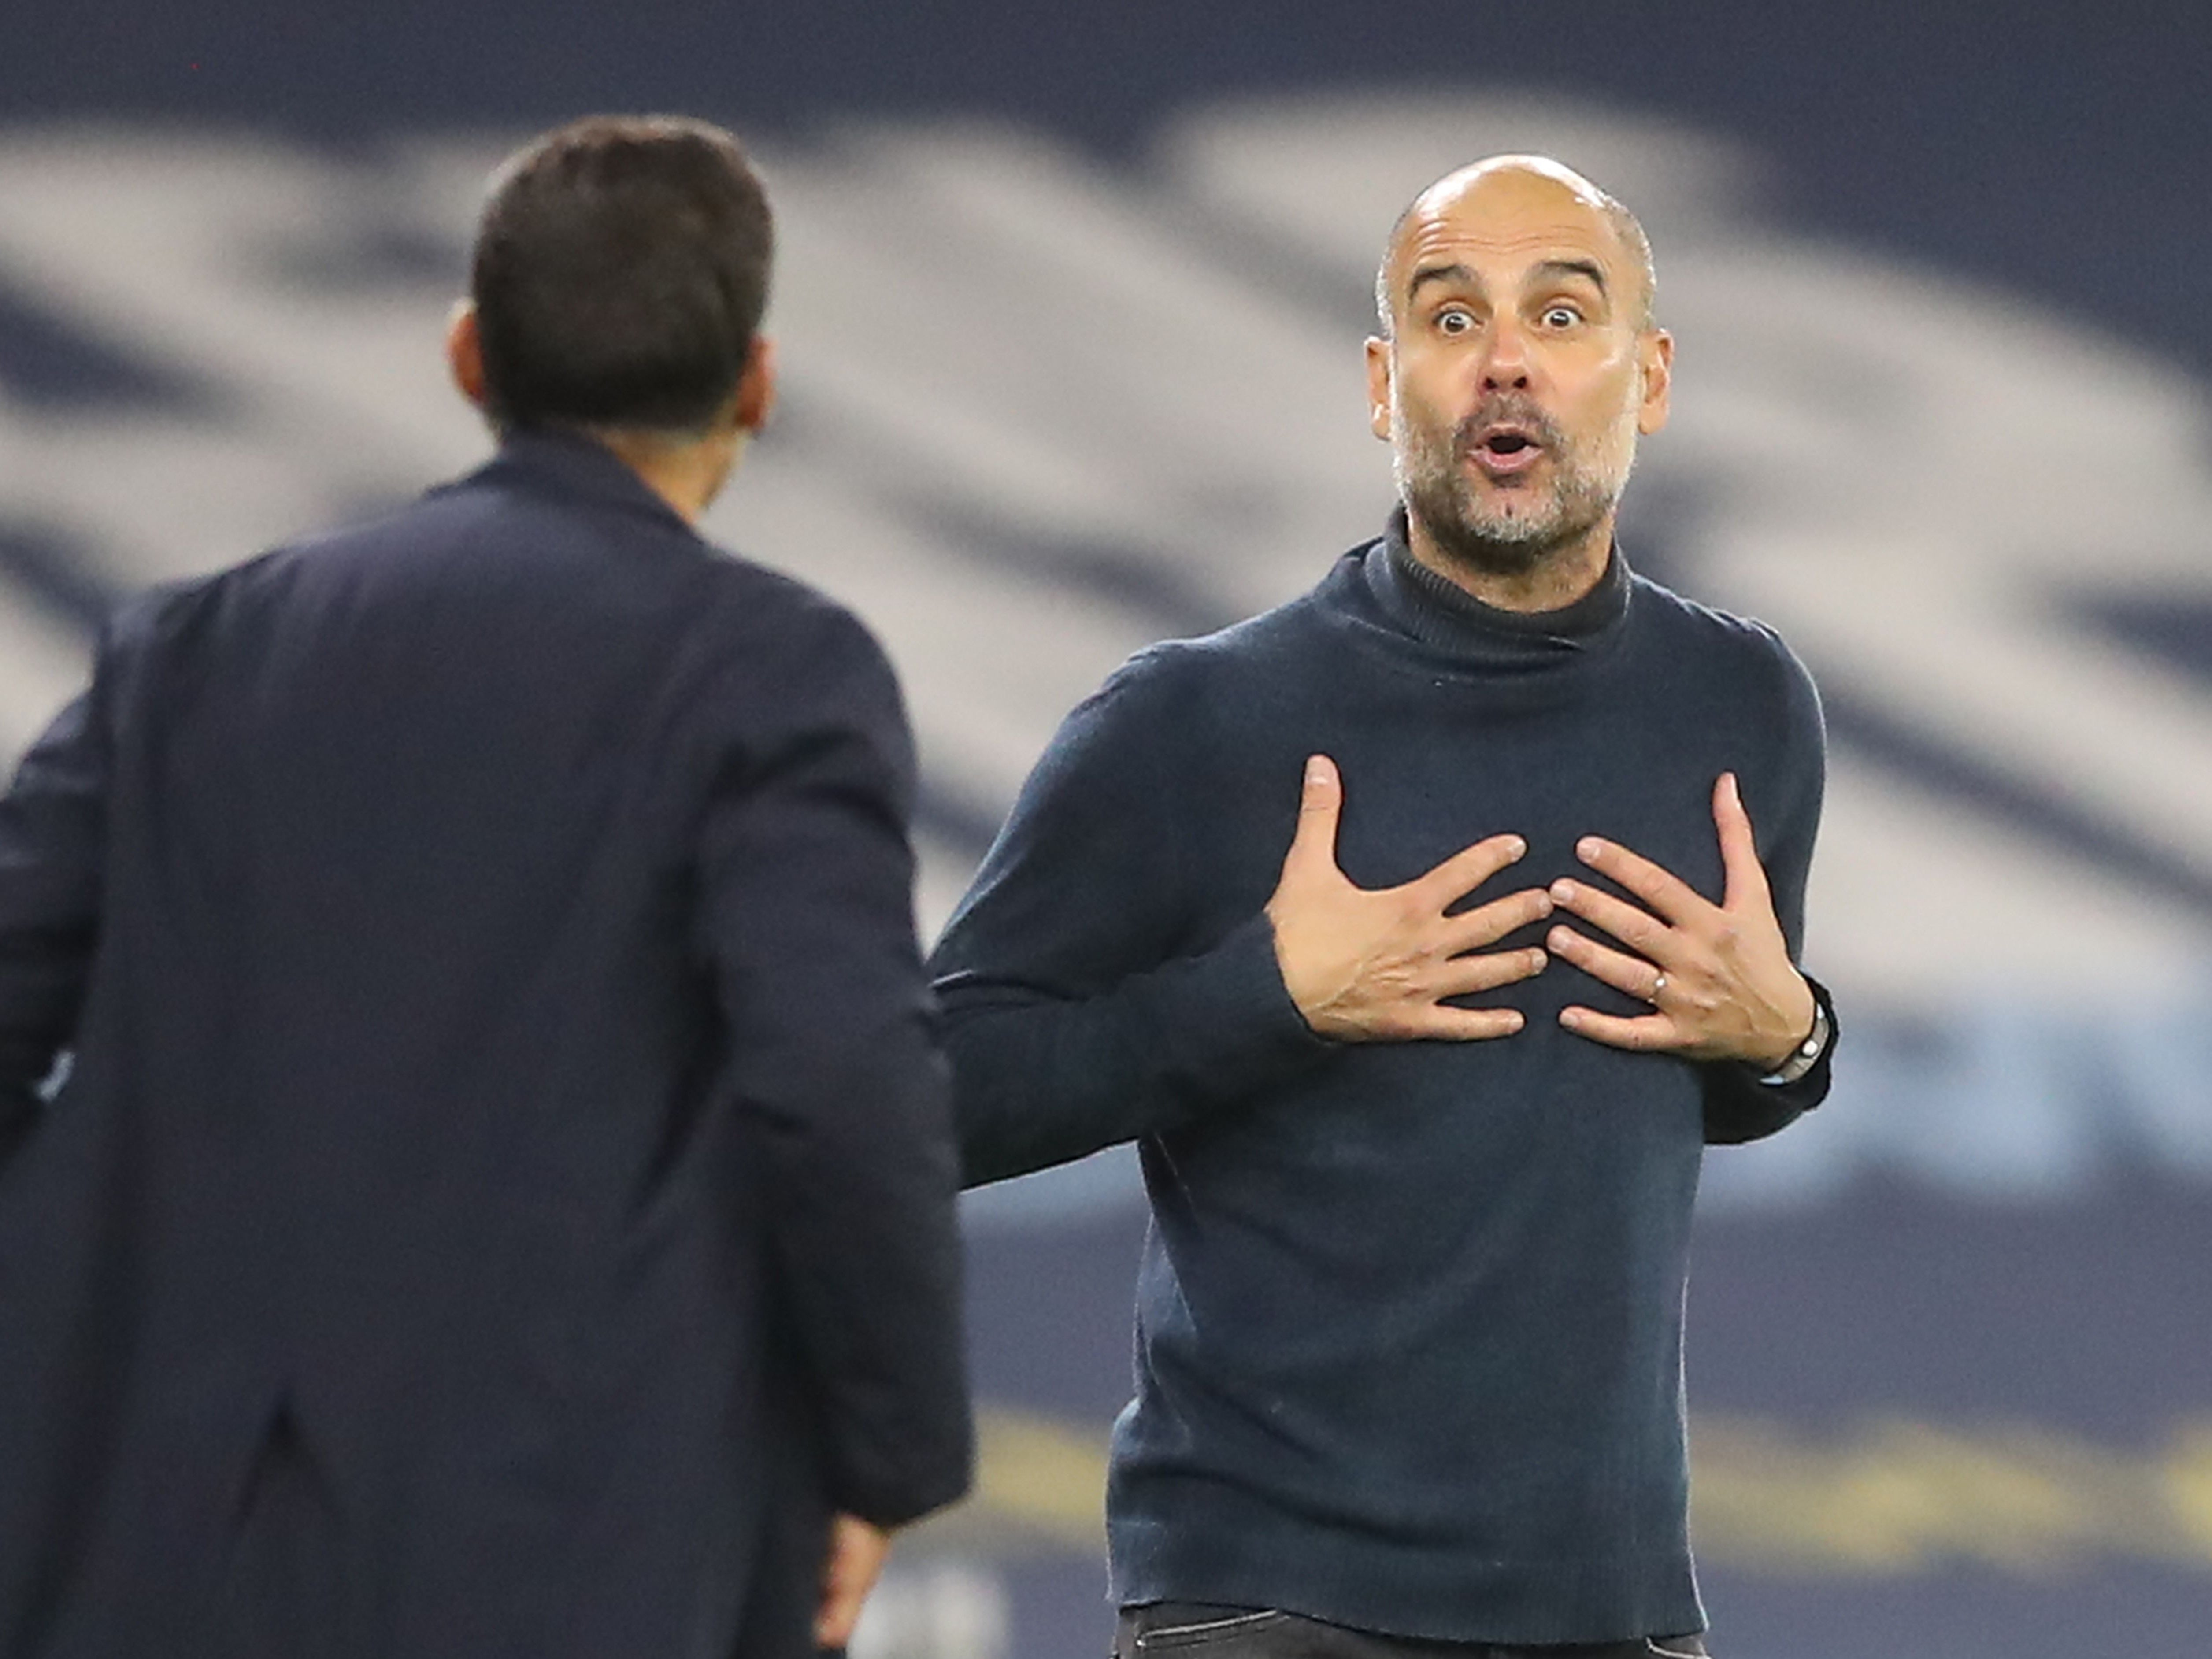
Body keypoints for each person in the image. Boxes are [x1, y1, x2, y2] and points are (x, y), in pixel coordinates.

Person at [0, 115, 970, 1659]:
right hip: (573, 1559)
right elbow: (844, 1079)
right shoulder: (772, 671)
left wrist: (82, 1321)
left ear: (469, 359)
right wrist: (892, 1453)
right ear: (757, 385)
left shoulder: (191, 654)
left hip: (155, 1562)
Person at [929, 156, 1836, 1657]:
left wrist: (1787, 1038)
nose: (1504, 358)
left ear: (1650, 374)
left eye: (1561, 311)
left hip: (1608, 1608)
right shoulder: (1198, 721)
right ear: (1381, 381)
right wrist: (1267, 998)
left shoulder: (1741, 703)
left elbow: (1697, 1078)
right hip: (1275, 1602)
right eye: (1448, 314)